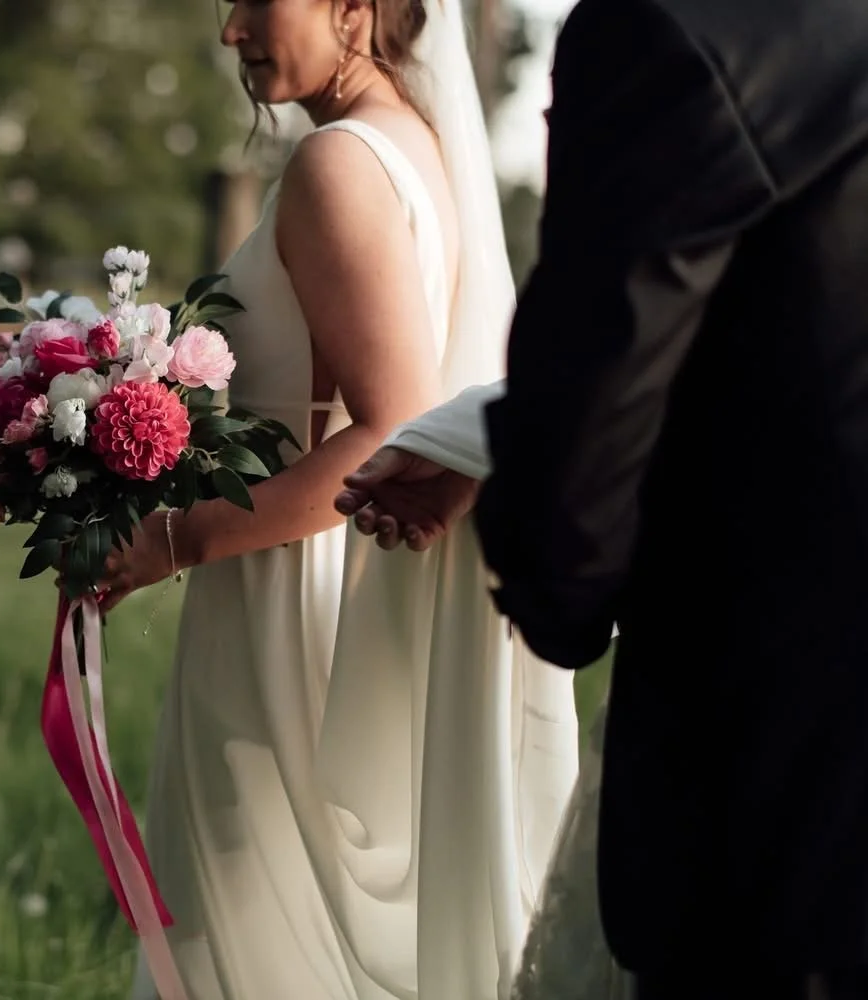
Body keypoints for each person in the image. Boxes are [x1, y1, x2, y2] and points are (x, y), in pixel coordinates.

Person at [340, 0, 868, 996]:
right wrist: (485, 439)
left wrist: (556, 586)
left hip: (797, 774)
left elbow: (602, 393)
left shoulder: (678, 28)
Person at [97, 1, 579, 996]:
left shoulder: (336, 166)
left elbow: (387, 428)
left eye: (255, 2)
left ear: (356, 5)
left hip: (292, 596)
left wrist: (170, 540)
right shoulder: (419, 146)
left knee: (247, 938)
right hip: (339, 579)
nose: (232, 32)